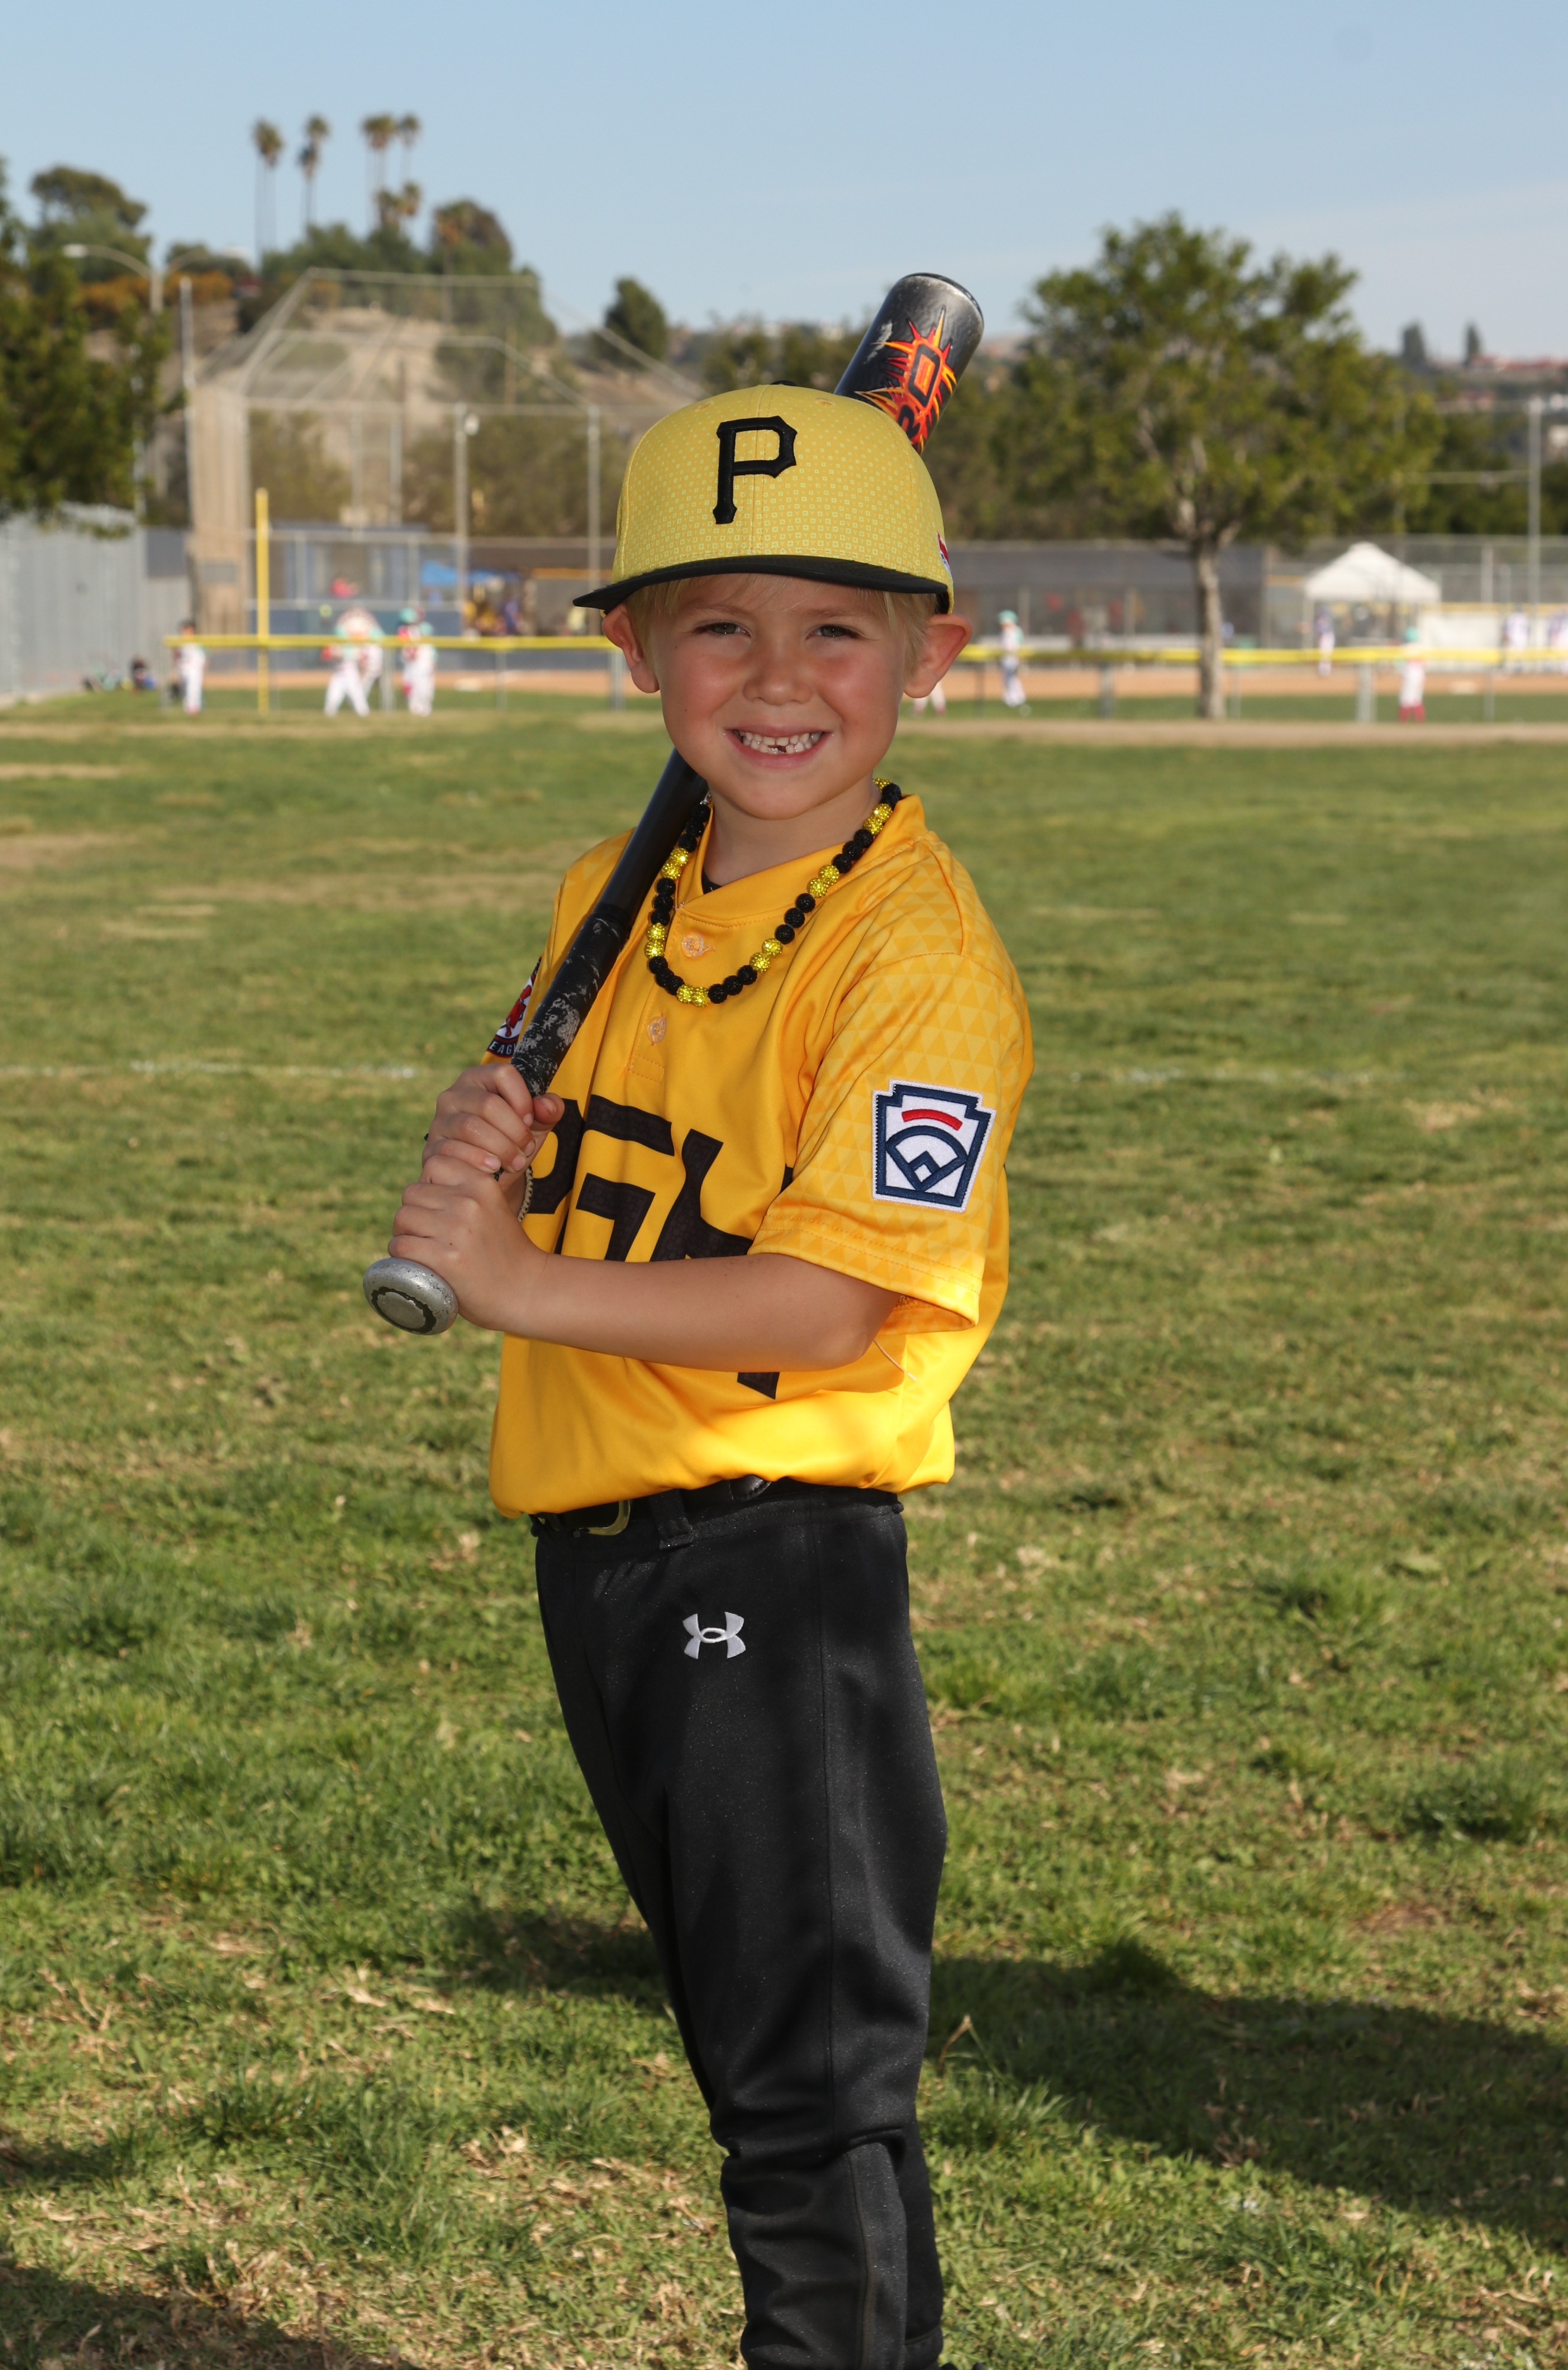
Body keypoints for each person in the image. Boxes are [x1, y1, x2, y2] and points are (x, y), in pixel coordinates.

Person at [388, 383, 1033, 2370]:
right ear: (634, 656)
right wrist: (493, 1146)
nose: (774, 679)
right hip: (600, 1538)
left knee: (808, 2091)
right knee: (746, 2054)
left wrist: (511, 1282)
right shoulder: (624, 883)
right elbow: (571, 1126)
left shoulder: (919, 968)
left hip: (776, 1551)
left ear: (930, 655)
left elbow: (833, 1309)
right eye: (717, 627)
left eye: (835, 628)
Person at [323, 606, 378, 717]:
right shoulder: (335, 644)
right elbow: (326, 656)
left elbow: (361, 657)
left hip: (351, 674)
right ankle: (329, 716)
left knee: (360, 703)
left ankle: (365, 717)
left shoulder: (351, 645)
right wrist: (332, 654)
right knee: (332, 701)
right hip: (338, 675)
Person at [397, 608, 437, 719]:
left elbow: (428, 650)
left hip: (421, 661)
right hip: (413, 662)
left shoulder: (422, 630)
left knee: (424, 686)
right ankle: (416, 708)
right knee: (411, 685)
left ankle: (424, 708)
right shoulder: (405, 630)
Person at [996, 606, 1028, 711]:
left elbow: (1016, 646)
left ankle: (1016, 699)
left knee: (1012, 679)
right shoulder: (1006, 632)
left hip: (1013, 659)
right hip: (1006, 659)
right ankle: (1011, 699)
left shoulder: (1014, 632)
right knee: (1008, 679)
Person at [174, 621, 206, 717]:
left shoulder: (198, 642)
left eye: (188, 630)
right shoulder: (180, 642)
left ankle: (194, 709)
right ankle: (188, 709)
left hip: (194, 670)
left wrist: (202, 667)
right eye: (184, 630)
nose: (186, 633)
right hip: (183, 669)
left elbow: (203, 657)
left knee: (193, 689)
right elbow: (177, 656)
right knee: (185, 690)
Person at [1397, 626, 1426, 723]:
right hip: (1420, 676)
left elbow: (1398, 663)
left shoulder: (1404, 648)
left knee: (1406, 699)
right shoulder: (1421, 648)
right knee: (1417, 698)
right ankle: (1419, 721)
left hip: (1409, 676)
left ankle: (1403, 721)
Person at [1314, 603, 1335, 676]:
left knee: (1327, 653)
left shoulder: (1325, 619)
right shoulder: (1320, 620)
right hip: (1324, 636)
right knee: (1323, 653)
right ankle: (1323, 670)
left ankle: (1326, 670)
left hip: (1328, 636)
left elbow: (1324, 629)